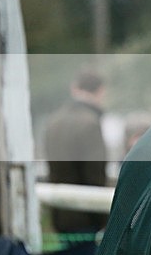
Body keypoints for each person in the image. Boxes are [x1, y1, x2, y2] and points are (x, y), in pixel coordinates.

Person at [44, 68, 109, 237]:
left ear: (74, 88)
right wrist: (105, 218)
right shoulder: (90, 123)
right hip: (86, 217)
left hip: (59, 214)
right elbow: (95, 175)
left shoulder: (53, 121)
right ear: (101, 91)